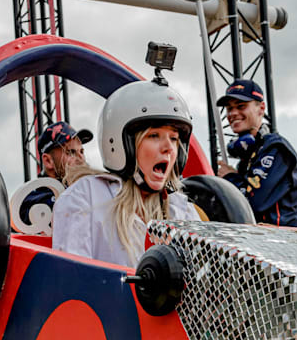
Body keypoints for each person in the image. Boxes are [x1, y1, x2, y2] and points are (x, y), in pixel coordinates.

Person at [52, 78, 199, 268]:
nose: (169, 148)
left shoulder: (183, 211)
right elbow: (73, 282)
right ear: (123, 144)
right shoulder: (85, 199)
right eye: (154, 136)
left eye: (174, 139)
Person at [216, 79, 297, 228]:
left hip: (281, 242)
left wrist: (230, 177)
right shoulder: (250, 156)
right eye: (229, 108)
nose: (233, 113)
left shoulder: (275, 149)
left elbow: (253, 203)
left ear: (261, 108)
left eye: (241, 106)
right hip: (259, 240)